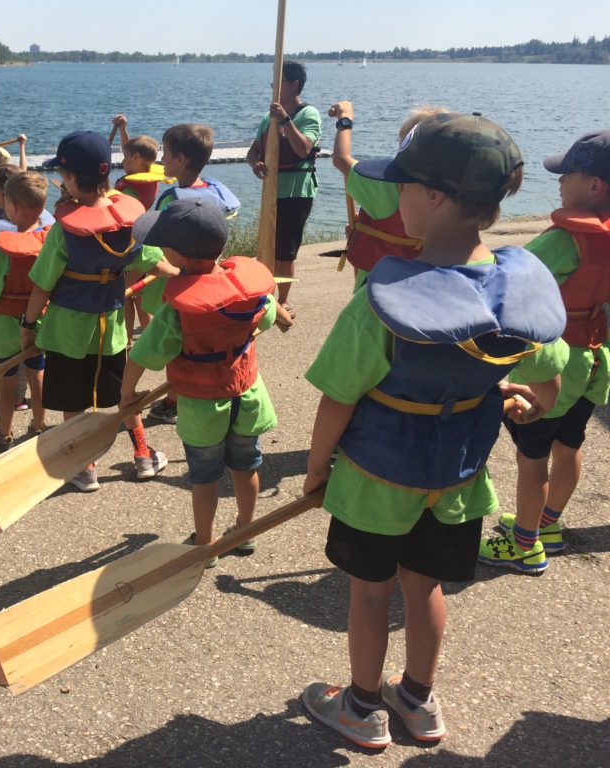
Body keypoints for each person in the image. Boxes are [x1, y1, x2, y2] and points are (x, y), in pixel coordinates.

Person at [299, 112, 568, 749]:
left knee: (370, 593)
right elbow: (550, 374)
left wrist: (316, 471)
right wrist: (523, 398)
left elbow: (338, 398)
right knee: (425, 587)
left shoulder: (382, 299)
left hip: (374, 478)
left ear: (436, 197)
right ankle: (416, 701)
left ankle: (362, 708)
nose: (396, 198)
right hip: (461, 476)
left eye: (405, 188)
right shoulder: (519, 285)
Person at [479, 129, 610, 574]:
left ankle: (525, 544)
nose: (558, 181)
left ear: (594, 185)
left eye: (568, 174)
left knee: (531, 457)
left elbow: (507, 278)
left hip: (559, 364)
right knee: (570, 442)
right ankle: (548, 524)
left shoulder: (561, 241)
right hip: (597, 360)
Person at [122, 199, 279, 567]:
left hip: (203, 407)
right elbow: (268, 315)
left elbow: (144, 355)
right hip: (248, 396)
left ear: (176, 255)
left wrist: (127, 394)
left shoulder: (178, 309)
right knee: (246, 466)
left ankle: (204, 545)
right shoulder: (247, 289)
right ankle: (244, 531)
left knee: (205, 478)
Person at [20, 131, 172, 492]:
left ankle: (85, 467)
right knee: (125, 395)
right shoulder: (130, 222)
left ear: (71, 179)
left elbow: (42, 285)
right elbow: (158, 261)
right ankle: (143, 455)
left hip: (67, 332)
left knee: (73, 402)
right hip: (113, 329)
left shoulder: (63, 231)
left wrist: (28, 325)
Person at [143, 123, 242, 425]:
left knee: (178, 343)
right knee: (200, 339)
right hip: (211, 276)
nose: (161, 160)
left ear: (182, 159)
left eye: (167, 154)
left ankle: (175, 399)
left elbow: (156, 237)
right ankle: (182, 395)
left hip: (182, 278)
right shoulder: (213, 192)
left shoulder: (173, 199)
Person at [0, 171, 50, 455]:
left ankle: (4, 434)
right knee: (36, 375)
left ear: (11, 207)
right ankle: (39, 426)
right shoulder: (48, 244)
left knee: (6, 384)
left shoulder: (3, 250)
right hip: (38, 323)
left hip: (4, 327)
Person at [329, 100, 436, 290]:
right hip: (424, 282)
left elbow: (341, 159)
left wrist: (345, 119)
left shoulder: (388, 185)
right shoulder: (449, 191)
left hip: (376, 285)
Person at [246, 60, 321, 312]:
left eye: (278, 82)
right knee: (267, 244)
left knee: (285, 250)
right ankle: (265, 294)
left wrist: (286, 120)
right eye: (272, 81)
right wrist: (256, 163)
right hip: (272, 190)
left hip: (296, 191)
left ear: (294, 85)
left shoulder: (308, 114)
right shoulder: (269, 117)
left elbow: (303, 149)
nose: (273, 86)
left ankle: (283, 300)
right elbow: (252, 151)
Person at [110, 114, 161, 342]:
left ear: (137, 158)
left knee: (126, 294)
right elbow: (131, 150)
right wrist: (123, 129)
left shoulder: (131, 189)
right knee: (137, 294)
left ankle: (128, 339)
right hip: (145, 239)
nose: (122, 160)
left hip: (131, 243)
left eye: (126, 157)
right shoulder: (145, 173)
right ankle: (147, 334)